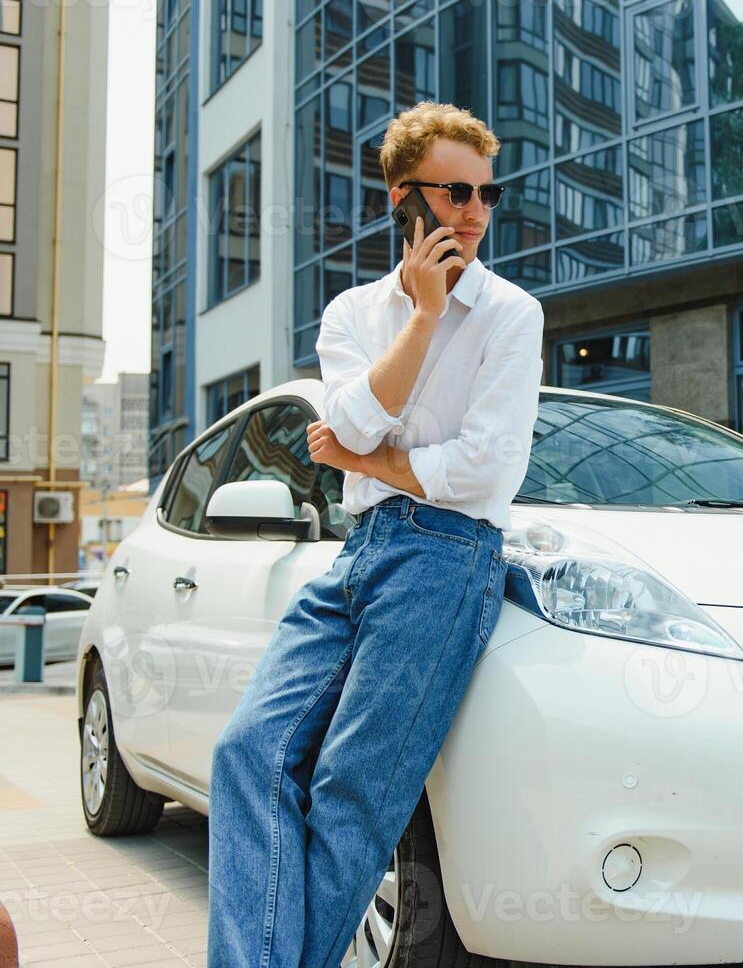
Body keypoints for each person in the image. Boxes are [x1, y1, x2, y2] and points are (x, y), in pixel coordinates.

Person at [205, 102, 544, 968]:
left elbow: (487, 470)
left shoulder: (511, 314)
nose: (474, 210)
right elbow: (348, 425)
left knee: (352, 791)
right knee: (247, 751)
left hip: (447, 556)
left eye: (486, 193)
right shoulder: (354, 312)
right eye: (455, 191)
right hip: (356, 553)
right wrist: (425, 318)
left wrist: (378, 459)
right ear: (405, 198)